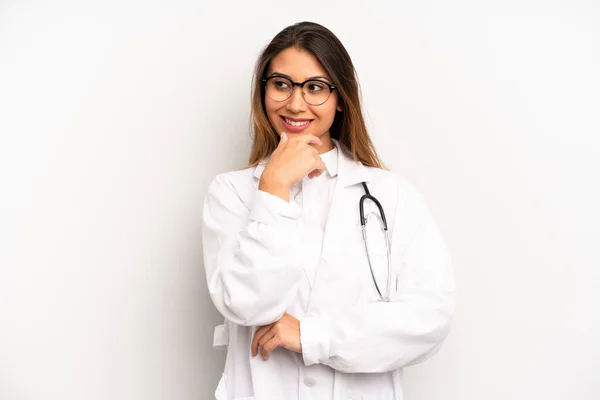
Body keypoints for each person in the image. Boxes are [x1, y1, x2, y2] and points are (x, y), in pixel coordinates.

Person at [202, 21, 455, 400]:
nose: (295, 103)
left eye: (315, 87)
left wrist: (312, 336)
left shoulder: (392, 195)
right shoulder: (231, 193)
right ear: (263, 91)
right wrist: (273, 189)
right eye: (281, 84)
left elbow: (428, 318)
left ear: (340, 98)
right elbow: (245, 303)